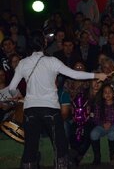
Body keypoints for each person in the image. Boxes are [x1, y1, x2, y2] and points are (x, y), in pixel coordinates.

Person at [8, 30, 108, 169]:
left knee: (30, 147)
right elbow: (74, 74)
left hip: (30, 109)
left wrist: (19, 96)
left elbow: (12, 87)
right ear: (44, 43)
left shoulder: (23, 63)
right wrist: (96, 75)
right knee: (60, 147)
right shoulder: (52, 61)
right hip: (50, 108)